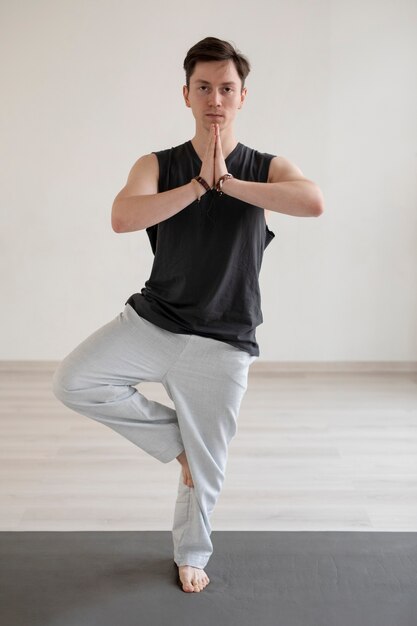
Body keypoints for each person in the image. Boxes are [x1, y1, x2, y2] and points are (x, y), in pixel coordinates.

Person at [52, 36, 324, 594]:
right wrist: (199, 183)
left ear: (242, 96)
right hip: (153, 322)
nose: (215, 99)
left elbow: (312, 201)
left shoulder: (267, 167)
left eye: (226, 88)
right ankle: (180, 444)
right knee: (74, 381)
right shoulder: (157, 163)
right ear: (186, 94)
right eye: (204, 88)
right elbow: (123, 217)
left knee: (209, 471)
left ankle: (192, 553)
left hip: (224, 341)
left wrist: (228, 183)